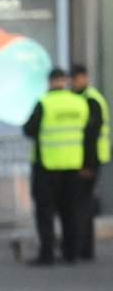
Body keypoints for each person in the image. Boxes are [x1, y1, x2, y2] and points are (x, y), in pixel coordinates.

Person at [24, 66, 99, 266]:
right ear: (65, 81)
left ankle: (47, 253)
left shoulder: (44, 103)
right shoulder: (79, 103)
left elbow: (29, 129)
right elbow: (89, 133)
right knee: (71, 210)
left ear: (50, 82)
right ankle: (71, 253)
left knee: (45, 211)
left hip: (47, 165)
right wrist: (88, 162)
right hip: (73, 165)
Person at [72, 63, 108, 260]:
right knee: (82, 205)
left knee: (83, 205)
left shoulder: (91, 100)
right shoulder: (83, 99)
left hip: (90, 161)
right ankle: (82, 247)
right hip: (84, 160)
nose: (73, 83)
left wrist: (88, 164)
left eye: (76, 78)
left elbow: (92, 135)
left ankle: (84, 248)